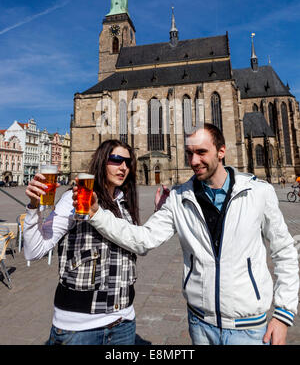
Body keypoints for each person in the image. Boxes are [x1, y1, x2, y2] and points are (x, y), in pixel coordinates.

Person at [78, 123, 299, 346]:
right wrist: (97, 214)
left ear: (221, 151)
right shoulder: (178, 198)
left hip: (249, 328)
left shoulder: (258, 192)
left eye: (201, 152)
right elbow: (143, 239)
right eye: (189, 154)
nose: (193, 161)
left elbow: (284, 251)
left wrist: (283, 315)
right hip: (200, 326)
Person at [23, 139, 140, 345]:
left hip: (123, 324)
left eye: (128, 162)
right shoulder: (74, 199)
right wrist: (34, 207)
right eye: (116, 160)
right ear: (101, 161)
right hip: (79, 329)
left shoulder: (125, 203)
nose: (123, 167)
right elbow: (34, 251)